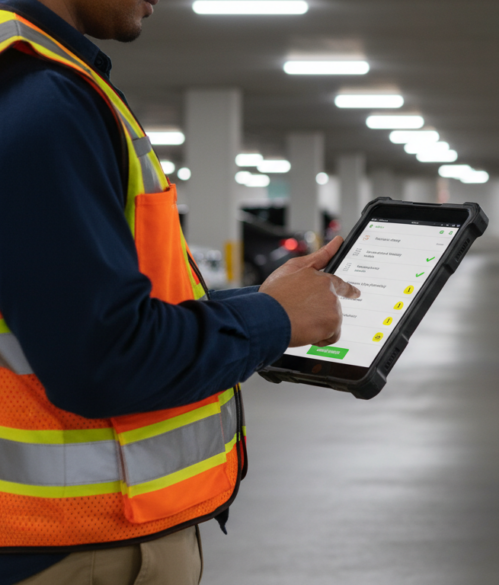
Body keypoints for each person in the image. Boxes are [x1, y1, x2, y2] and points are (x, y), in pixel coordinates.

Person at [0, 0, 360, 582]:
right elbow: (105, 356)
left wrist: (265, 304)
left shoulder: (37, 81)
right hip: (74, 546)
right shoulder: (43, 96)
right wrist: (272, 322)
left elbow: (77, 312)